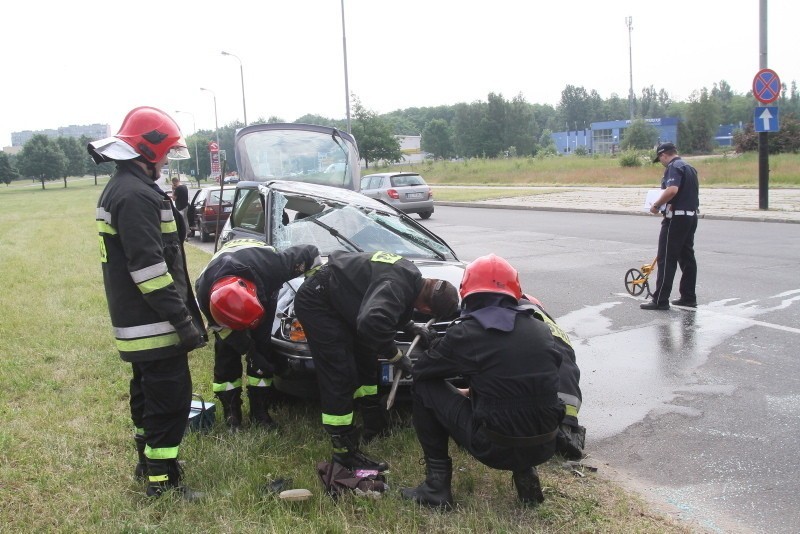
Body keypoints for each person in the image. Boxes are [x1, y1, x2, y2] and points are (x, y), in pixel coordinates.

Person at [89, 106, 207, 500]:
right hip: (154, 324)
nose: (168, 162)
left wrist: (177, 206)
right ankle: (164, 483)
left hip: (137, 323)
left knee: (148, 395)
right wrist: (184, 323)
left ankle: (148, 465)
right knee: (170, 401)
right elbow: (150, 271)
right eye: (166, 153)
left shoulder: (128, 187)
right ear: (148, 150)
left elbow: (170, 242)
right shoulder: (136, 194)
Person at [400, 254, 563, 508]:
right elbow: (520, 377)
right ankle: (526, 476)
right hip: (545, 443)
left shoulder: (468, 332)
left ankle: (436, 487)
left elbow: (422, 371)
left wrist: (436, 345)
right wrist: (474, 391)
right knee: (522, 403)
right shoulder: (540, 328)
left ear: (468, 292)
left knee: (423, 387)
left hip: (496, 447)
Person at [294, 250, 459, 473]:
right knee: (340, 373)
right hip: (319, 302)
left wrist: (410, 326)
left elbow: (384, 300)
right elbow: (372, 323)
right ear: (427, 309)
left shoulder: (412, 276)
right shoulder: (397, 284)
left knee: (366, 357)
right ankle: (344, 452)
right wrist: (396, 357)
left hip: (343, 300)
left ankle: (374, 423)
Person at [194, 239, 321, 430]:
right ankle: (231, 412)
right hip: (225, 296)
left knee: (263, 348)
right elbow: (226, 332)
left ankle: (260, 411)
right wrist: (247, 349)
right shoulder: (204, 294)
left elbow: (311, 251)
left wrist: (314, 290)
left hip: (262, 283)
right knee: (226, 355)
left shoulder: (275, 266)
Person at [518, 294, 586, 460]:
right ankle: (566, 431)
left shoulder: (517, 314)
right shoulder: (553, 326)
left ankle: (555, 434)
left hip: (547, 405)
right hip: (571, 405)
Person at [641, 142, 700, 310]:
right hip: (690, 217)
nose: (661, 162)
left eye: (660, 159)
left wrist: (656, 205)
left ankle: (660, 299)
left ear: (663, 155)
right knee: (687, 258)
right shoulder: (689, 167)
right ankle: (688, 297)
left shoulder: (674, 167)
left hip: (675, 219)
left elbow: (672, 190)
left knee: (666, 258)